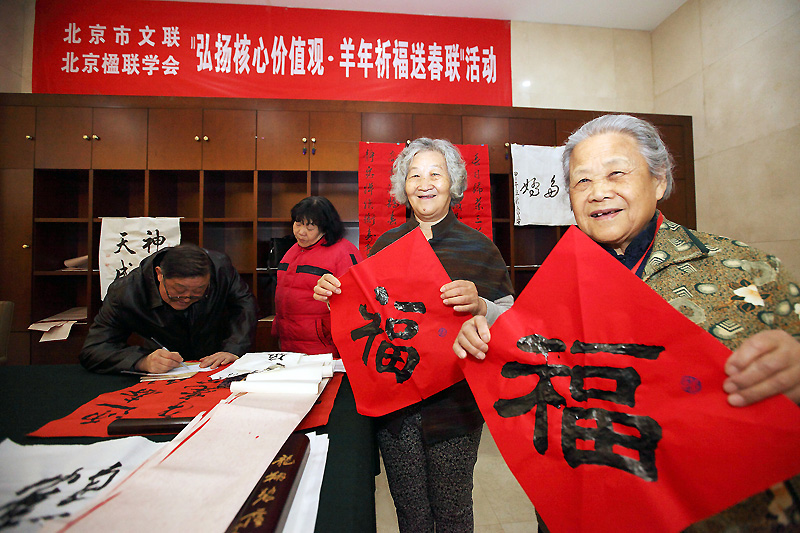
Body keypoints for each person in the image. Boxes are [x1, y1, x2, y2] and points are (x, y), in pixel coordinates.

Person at [453, 114, 800, 531]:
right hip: (582, 507)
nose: (599, 192)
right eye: (582, 181)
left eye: (616, 173)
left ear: (659, 180)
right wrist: (485, 336)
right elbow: (532, 366)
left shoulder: (746, 272)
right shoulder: (556, 286)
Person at [314, 138, 514, 532]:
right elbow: (365, 319)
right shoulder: (385, 246)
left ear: (453, 183)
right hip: (396, 407)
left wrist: (481, 305)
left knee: (454, 512)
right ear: (402, 186)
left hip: (456, 406)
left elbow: (512, 321)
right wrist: (334, 299)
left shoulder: (480, 248)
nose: (425, 184)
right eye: (414, 175)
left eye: (436, 174)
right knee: (410, 512)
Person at [80, 243, 257, 375]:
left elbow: (244, 304)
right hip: (164, 369)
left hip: (215, 364)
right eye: (178, 291)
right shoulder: (127, 292)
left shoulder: (220, 269)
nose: (186, 298)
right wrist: (142, 361)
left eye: (197, 292)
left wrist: (233, 348)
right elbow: (94, 350)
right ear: (159, 274)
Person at [273, 196, 362, 356]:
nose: (301, 232)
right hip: (288, 343)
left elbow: (355, 303)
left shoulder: (343, 253)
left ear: (325, 227)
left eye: (310, 227)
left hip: (323, 347)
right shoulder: (292, 250)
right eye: (298, 224)